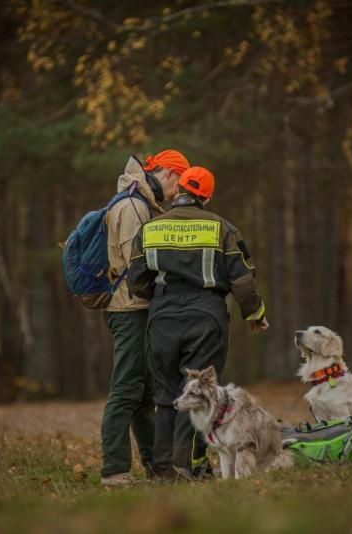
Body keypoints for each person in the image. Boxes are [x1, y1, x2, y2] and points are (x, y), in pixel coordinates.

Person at [127, 166, 269, 480]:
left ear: (178, 191)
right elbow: (243, 281)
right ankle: (188, 465)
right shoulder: (223, 228)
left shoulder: (151, 228)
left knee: (166, 395)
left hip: (162, 317)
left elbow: (135, 281)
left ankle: (162, 469)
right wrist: (255, 314)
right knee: (201, 393)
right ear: (206, 195)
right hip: (207, 317)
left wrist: (163, 298)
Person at [100, 149, 190, 487]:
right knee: (125, 388)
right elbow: (135, 267)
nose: (178, 192)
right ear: (169, 174)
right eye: (178, 183)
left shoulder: (141, 203)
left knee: (142, 393)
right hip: (128, 310)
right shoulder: (133, 207)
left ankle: (157, 468)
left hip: (135, 309)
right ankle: (114, 471)